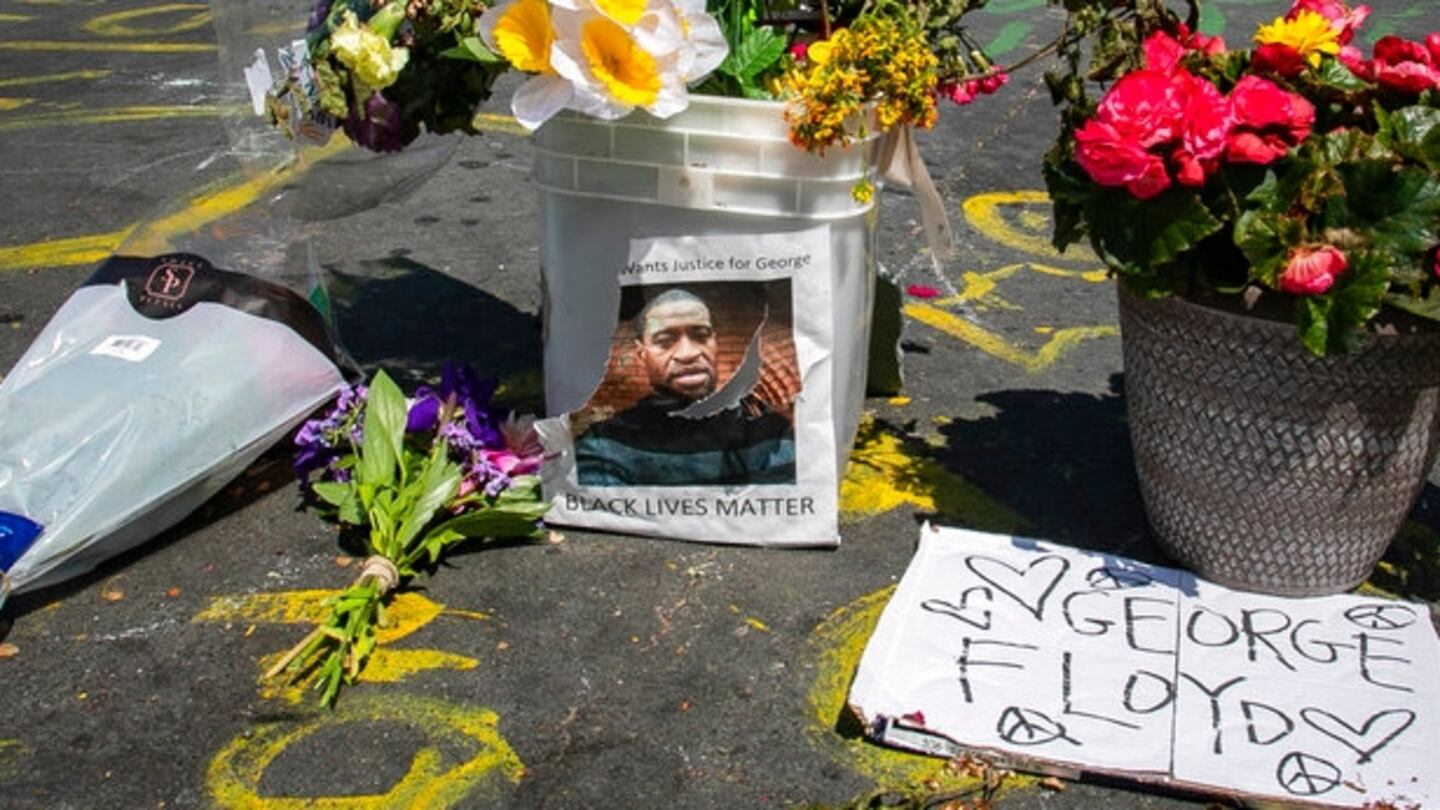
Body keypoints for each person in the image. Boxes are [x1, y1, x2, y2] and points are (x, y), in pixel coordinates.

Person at [575, 288, 796, 486]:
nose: (688, 353)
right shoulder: (605, 446)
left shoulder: (767, 433)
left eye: (701, 336)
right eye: (665, 341)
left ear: (715, 343)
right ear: (642, 353)